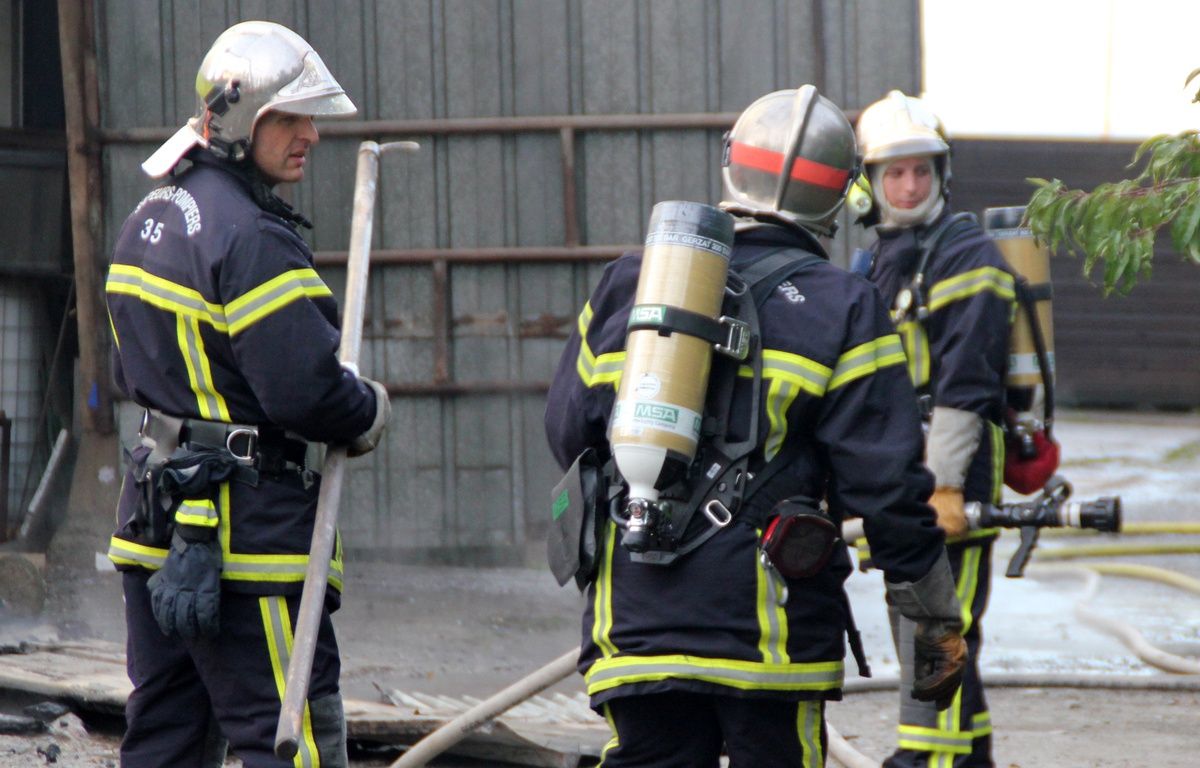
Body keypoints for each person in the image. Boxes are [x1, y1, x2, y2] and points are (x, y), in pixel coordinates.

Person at [544, 84, 967, 767]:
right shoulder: (844, 306)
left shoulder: (629, 283)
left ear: (731, 166)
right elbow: (885, 485)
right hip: (768, 635)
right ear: (840, 193)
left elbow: (569, 433)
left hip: (636, 621)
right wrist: (934, 615)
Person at [104, 21, 390, 768]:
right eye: (291, 119)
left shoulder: (149, 220)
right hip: (248, 541)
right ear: (241, 121)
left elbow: (129, 369)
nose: (311, 136)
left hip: (154, 524)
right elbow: (306, 393)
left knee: (165, 736)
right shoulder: (254, 238)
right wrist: (368, 408)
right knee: (282, 738)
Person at [853, 90, 1016, 768]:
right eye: (895, 172)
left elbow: (965, 387)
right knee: (919, 623)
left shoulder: (967, 257)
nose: (910, 185)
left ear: (942, 173)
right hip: (896, 475)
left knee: (934, 628)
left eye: (922, 170)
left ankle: (926, 759)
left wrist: (943, 486)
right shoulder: (876, 260)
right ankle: (966, 759)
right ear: (871, 182)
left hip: (953, 473)